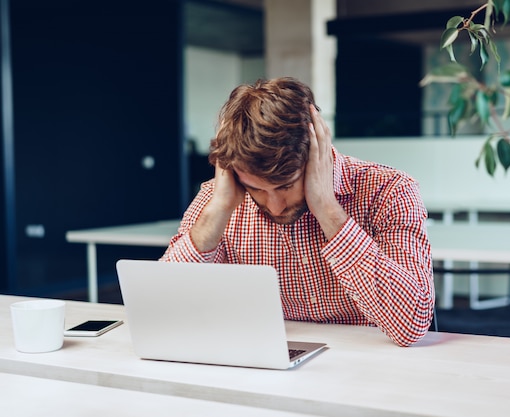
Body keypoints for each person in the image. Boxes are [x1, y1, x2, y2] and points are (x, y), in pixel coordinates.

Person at [161, 77, 434, 347]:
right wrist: (219, 209)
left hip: (369, 370)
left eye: (285, 186)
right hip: (264, 363)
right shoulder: (218, 196)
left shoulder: (389, 189)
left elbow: (411, 325)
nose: (275, 206)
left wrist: (327, 208)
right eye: (256, 189)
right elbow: (161, 312)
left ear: (317, 152)